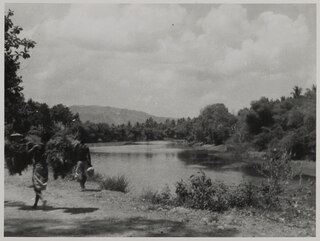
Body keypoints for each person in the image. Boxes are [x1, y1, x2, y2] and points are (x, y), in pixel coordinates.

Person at [28, 143, 48, 208]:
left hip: (38, 168)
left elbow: (27, 153)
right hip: (45, 169)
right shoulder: (45, 152)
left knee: (36, 187)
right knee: (38, 187)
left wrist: (33, 148)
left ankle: (43, 199)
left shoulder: (37, 152)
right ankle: (35, 204)